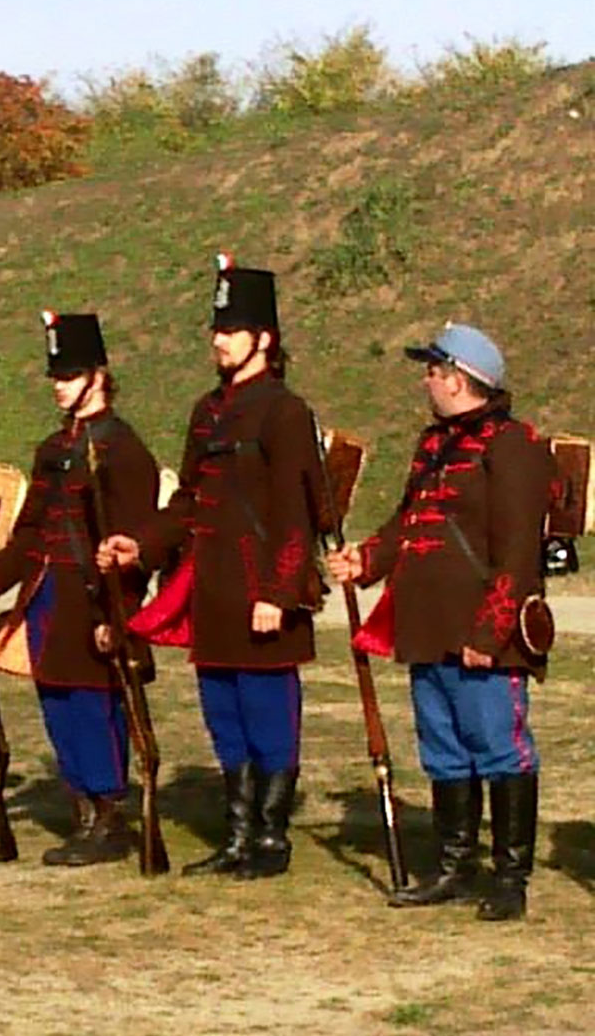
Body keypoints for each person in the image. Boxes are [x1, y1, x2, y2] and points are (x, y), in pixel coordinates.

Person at [98, 257, 325, 879]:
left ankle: (271, 842)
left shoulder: (285, 412)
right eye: (216, 329)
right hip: (213, 590)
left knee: (268, 719)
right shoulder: (207, 411)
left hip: (263, 593)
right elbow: (189, 503)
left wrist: (279, 591)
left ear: (264, 339)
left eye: (230, 329)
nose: (217, 340)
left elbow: (296, 515)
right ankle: (237, 837)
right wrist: (140, 545)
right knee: (224, 719)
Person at [326, 323, 552, 921]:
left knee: (501, 751)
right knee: (445, 752)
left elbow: (518, 552)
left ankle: (509, 876)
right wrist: (367, 559)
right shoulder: (434, 446)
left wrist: (491, 633)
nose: (425, 379)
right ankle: (452, 866)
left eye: (431, 369)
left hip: (481, 629)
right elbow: (411, 521)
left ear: (456, 378)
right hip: (428, 624)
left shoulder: (514, 445)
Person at [0, 312, 158, 866]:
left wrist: (118, 617)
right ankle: (83, 806)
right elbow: (29, 532)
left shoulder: (123, 449)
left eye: (68, 375)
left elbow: (134, 543)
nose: (58, 385)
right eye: (55, 376)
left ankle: (109, 813)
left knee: (94, 704)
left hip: (94, 597)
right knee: (58, 703)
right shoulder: (52, 449)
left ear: (97, 376)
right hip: (48, 594)